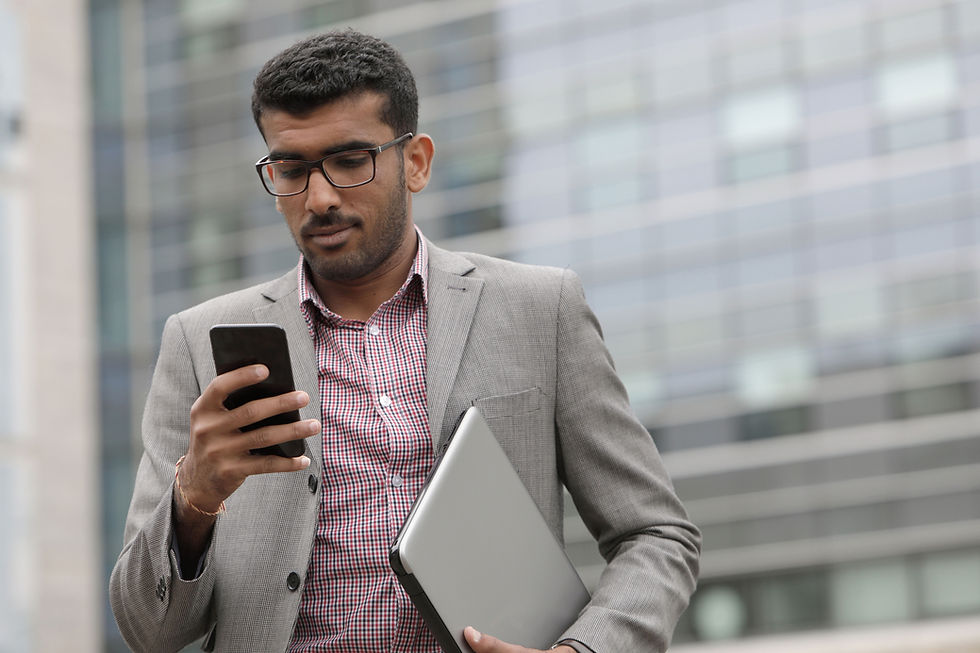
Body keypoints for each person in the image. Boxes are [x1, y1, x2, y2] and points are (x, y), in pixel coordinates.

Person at [109, 29, 700, 653]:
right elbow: (149, 632)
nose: (320, 197)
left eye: (349, 160)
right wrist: (194, 499)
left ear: (414, 161)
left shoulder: (539, 309)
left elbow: (656, 536)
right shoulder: (199, 343)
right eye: (291, 169)